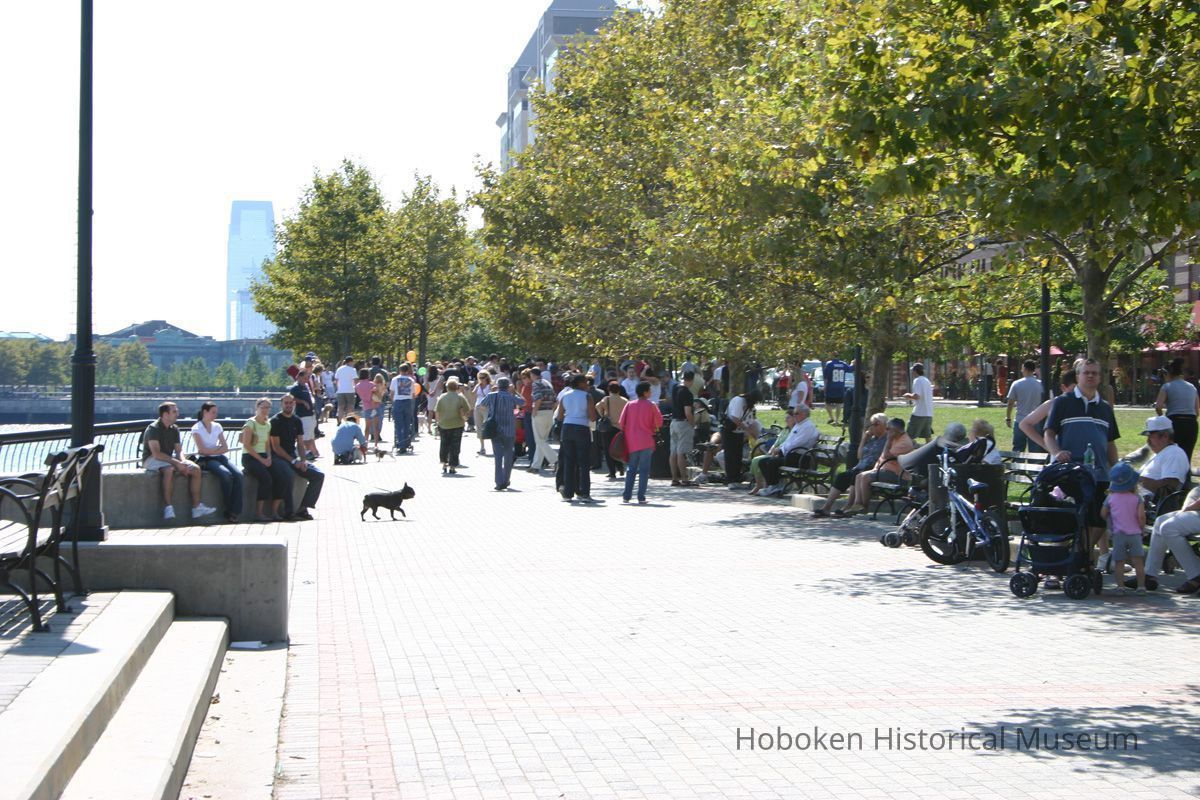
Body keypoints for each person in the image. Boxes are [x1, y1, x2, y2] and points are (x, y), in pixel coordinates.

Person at [1044, 358, 1119, 552]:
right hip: (1069, 472)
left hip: (1100, 474)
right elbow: (1049, 434)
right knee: (1064, 518)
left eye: (1095, 373)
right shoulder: (1062, 402)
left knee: (1100, 519)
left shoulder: (1104, 408)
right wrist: (1057, 452)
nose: (1091, 376)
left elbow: (1110, 443)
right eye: (1086, 372)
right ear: (1078, 376)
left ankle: (1080, 555)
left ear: (1100, 377)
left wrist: (1116, 470)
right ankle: (1057, 566)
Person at [143, 401, 216, 522]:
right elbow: (156, 453)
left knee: (195, 469)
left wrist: (183, 462)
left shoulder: (174, 429)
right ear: (165, 415)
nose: (178, 414)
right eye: (174, 412)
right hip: (151, 459)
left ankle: (196, 507)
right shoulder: (153, 429)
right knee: (169, 469)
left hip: (167, 458)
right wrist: (176, 463)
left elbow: (178, 450)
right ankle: (168, 507)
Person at [812, 414, 889, 516]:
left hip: (873, 468)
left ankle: (848, 506)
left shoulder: (887, 439)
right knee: (841, 477)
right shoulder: (871, 439)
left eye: (876, 424)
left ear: (884, 425)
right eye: (872, 424)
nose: (873, 427)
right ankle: (827, 507)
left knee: (855, 475)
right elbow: (859, 456)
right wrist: (864, 439)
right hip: (860, 466)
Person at [838, 418, 914, 516]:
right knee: (859, 476)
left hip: (898, 475)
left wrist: (889, 440)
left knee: (865, 477)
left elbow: (886, 456)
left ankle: (864, 507)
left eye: (888, 429)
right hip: (885, 470)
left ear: (895, 430)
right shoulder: (896, 437)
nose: (886, 431)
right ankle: (857, 504)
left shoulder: (904, 442)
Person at [269, 395, 324, 520]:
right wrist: (293, 461)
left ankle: (303, 508)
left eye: (291, 403)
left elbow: (300, 443)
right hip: (278, 458)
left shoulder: (297, 420)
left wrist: (303, 460)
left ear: (294, 404)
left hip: (293, 456)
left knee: (318, 475)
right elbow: (276, 447)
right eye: (286, 403)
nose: (288, 405)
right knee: (288, 475)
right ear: (281, 404)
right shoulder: (275, 421)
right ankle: (288, 513)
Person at [751, 405, 819, 497]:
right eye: (794, 413)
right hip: (791, 455)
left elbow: (798, 443)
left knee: (772, 463)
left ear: (804, 414)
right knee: (763, 462)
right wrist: (779, 449)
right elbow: (788, 441)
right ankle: (774, 485)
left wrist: (781, 450)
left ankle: (775, 486)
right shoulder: (799, 425)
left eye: (796, 413)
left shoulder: (808, 426)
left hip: (801, 458)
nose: (794, 415)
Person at [192, 401, 242, 523]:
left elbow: (225, 447)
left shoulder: (217, 426)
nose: (215, 415)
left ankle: (235, 510)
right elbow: (202, 451)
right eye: (213, 412)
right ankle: (228, 509)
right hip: (207, 460)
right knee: (225, 475)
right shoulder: (196, 428)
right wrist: (215, 449)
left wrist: (212, 450)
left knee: (239, 475)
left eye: (216, 412)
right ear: (205, 412)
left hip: (219, 456)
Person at [1102, 462, 1148, 595]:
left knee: (1119, 562)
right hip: (1135, 534)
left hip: (1118, 534)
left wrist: (1110, 519)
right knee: (1138, 561)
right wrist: (1142, 528)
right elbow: (1141, 516)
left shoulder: (1111, 498)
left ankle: (1120, 587)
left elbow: (1103, 513)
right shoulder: (1136, 498)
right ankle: (1141, 587)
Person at [241, 398, 289, 522]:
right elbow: (247, 445)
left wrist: (268, 457)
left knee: (281, 476)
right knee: (266, 479)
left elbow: (267, 444)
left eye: (267, 407)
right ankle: (258, 513)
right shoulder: (250, 423)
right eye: (262, 407)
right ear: (257, 408)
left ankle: (274, 511)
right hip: (250, 457)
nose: (265, 410)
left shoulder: (268, 424)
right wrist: (262, 461)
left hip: (263, 455)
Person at [617, 381, 664, 504]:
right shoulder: (652, 405)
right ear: (645, 392)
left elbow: (621, 423)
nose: (651, 392)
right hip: (647, 440)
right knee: (644, 469)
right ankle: (641, 496)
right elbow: (659, 422)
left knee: (631, 468)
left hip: (631, 441)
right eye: (649, 390)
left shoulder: (629, 405)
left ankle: (626, 496)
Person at [555, 374, 597, 501]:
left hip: (567, 428)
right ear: (580, 383)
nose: (587, 384)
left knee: (569, 461)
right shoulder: (587, 396)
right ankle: (584, 493)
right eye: (586, 382)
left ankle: (568, 493)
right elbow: (592, 417)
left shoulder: (565, 395)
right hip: (582, 428)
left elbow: (559, 417)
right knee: (583, 462)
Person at [481, 376, 524, 490]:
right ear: (508, 386)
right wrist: (515, 391)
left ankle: (499, 482)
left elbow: (482, 404)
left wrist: (492, 392)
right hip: (509, 430)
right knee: (508, 455)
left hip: (495, 429)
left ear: (498, 386)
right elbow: (523, 402)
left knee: (498, 456)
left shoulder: (491, 395)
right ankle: (506, 479)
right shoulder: (511, 397)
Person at [1018, 369, 1077, 451]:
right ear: (1063, 388)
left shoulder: (1088, 404)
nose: (1078, 393)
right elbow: (1024, 424)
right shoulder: (1053, 403)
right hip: (1060, 454)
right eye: (1074, 389)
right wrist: (1046, 446)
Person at [1155, 358, 1200, 461]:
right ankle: (1186, 477)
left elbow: (1158, 406)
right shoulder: (1192, 387)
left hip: (1175, 423)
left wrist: (1163, 419)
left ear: (1168, 374)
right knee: (1186, 459)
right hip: (1191, 425)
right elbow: (1197, 410)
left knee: (1172, 458)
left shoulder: (1167, 386)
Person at [1134, 416, 1190, 498]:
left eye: (1151, 436)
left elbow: (1169, 489)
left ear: (1165, 436)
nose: (1148, 441)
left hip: (1152, 507)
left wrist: (1136, 480)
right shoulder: (1161, 453)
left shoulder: (1174, 453)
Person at [1005, 360, 1045, 452]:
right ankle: (1035, 466)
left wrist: (1008, 417)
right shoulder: (1040, 384)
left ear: (1025, 369)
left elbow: (1010, 402)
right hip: (1036, 420)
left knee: (1018, 448)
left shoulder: (1016, 384)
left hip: (1020, 420)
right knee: (1035, 449)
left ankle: (1017, 466)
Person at [722, 389, 760, 485]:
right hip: (729, 430)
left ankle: (736, 476)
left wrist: (753, 432)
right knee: (730, 455)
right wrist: (747, 429)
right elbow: (735, 418)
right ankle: (730, 477)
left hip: (738, 432)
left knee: (737, 455)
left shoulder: (750, 406)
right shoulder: (739, 401)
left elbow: (750, 420)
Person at [435, 377, 471, 474]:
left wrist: (438, 422)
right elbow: (468, 410)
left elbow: (437, 412)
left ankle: (444, 463)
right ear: (457, 387)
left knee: (444, 444)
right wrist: (465, 417)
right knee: (455, 446)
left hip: (444, 424)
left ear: (447, 387)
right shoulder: (461, 397)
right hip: (457, 424)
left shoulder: (442, 397)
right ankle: (452, 466)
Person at [669, 370, 698, 487]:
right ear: (691, 380)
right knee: (682, 452)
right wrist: (693, 424)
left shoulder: (675, 388)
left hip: (674, 422)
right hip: (683, 424)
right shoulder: (687, 393)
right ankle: (685, 479)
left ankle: (674, 478)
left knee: (673, 452)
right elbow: (688, 413)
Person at [597, 381, 628, 481]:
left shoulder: (606, 399)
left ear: (608, 390)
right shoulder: (624, 400)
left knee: (607, 449)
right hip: (620, 428)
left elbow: (597, 406)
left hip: (608, 427)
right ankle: (620, 466)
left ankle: (612, 472)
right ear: (619, 390)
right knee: (618, 448)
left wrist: (603, 414)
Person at [529, 368, 559, 472]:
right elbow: (555, 401)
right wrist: (551, 410)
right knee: (542, 440)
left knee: (539, 440)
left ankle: (556, 459)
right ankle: (536, 465)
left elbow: (538, 398)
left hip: (540, 413)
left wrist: (534, 411)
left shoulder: (536, 384)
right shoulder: (548, 384)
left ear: (533, 375)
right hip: (549, 412)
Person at [903, 363, 934, 443]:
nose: (912, 373)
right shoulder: (927, 380)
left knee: (909, 436)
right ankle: (932, 452)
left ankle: (908, 451)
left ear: (915, 371)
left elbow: (917, 396)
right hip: (928, 414)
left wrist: (908, 395)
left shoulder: (917, 380)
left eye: (912, 371)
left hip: (919, 414)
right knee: (927, 436)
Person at [389, 363, 417, 452]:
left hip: (398, 402)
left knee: (398, 425)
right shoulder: (411, 380)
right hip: (408, 402)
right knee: (406, 424)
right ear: (407, 370)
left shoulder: (395, 379)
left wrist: (392, 402)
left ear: (399, 370)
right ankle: (406, 443)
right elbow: (413, 394)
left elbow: (392, 393)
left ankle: (401, 444)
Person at [354, 369, 378, 446]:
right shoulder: (372, 384)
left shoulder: (357, 386)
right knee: (375, 427)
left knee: (367, 426)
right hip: (374, 406)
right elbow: (376, 395)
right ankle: (376, 444)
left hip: (366, 406)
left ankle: (365, 443)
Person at [823, 358, 850, 425]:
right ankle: (836, 420)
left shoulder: (829, 364)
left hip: (831, 386)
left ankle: (831, 418)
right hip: (840, 386)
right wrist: (853, 363)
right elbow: (850, 369)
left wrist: (825, 386)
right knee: (839, 404)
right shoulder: (843, 364)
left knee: (827, 403)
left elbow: (826, 377)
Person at [473, 370, 494, 455]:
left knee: (488, 427)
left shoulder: (490, 386)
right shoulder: (478, 386)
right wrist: (476, 386)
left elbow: (493, 396)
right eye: (479, 377)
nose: (481, 379)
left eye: (482, 377)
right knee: (479, 427)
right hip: (478, 406)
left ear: (487, 377)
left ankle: (494, 447)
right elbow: (473, 394)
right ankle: (482, 447)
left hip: (487, 408)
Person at [334, 357, 358, 422]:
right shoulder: (353, 370)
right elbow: (355, 380)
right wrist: (356, 388)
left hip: (340, 391)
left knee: (341, 407)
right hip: (350, 390)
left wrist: (338, 388)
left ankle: (339, 421)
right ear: (350, 362)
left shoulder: (339, 369)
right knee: (350, 406)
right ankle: (348, 420)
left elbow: (336, 380)